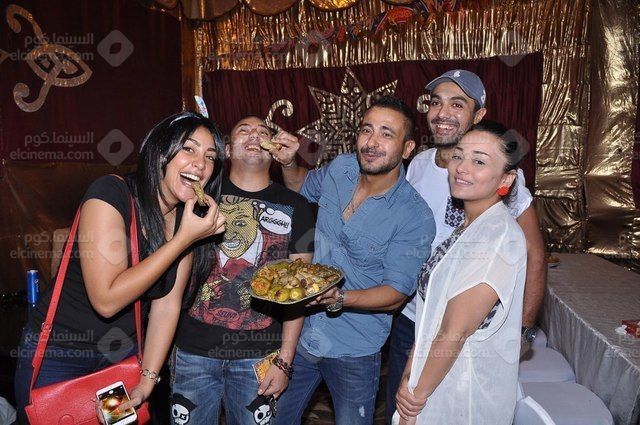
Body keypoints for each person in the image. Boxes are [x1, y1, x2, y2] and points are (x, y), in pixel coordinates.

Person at [14, 112, 227, 424]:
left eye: (210, 156)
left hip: (118, 359)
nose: (200, 164)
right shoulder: (110, 194)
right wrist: (183, 240)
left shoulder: (187, 220)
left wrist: (147, 381)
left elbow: (167, 305)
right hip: (60, 356)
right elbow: (107, 299)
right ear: (160, 153)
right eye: (189, 149)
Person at [386, 69, 547, 424]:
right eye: (436, 102)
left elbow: (454, 332)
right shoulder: (426, 175)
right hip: (417, 325)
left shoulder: (497, 232)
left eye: (457, 104)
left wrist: (415, 396)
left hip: (462, 364)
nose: (462, 168)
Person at [271, 95, 435, 425]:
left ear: (407, 148)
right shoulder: (342, 168)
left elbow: (396, 294)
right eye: (366, 130)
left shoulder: (415, 216)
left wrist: (339, 298)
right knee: (275, 418)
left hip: (355, 349)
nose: (371, 142)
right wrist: (289, 163)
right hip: (302, 332)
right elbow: (302, 186)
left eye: (386, 134)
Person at [171, 116, 315, 425]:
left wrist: (285, 361)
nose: (254, 135)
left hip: (259, 356)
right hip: (194, 350)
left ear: (273, 147)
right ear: (225, 149)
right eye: (244, 130)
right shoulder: (196, 196)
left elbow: (299, 292)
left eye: (263, 131)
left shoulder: (298, 207)